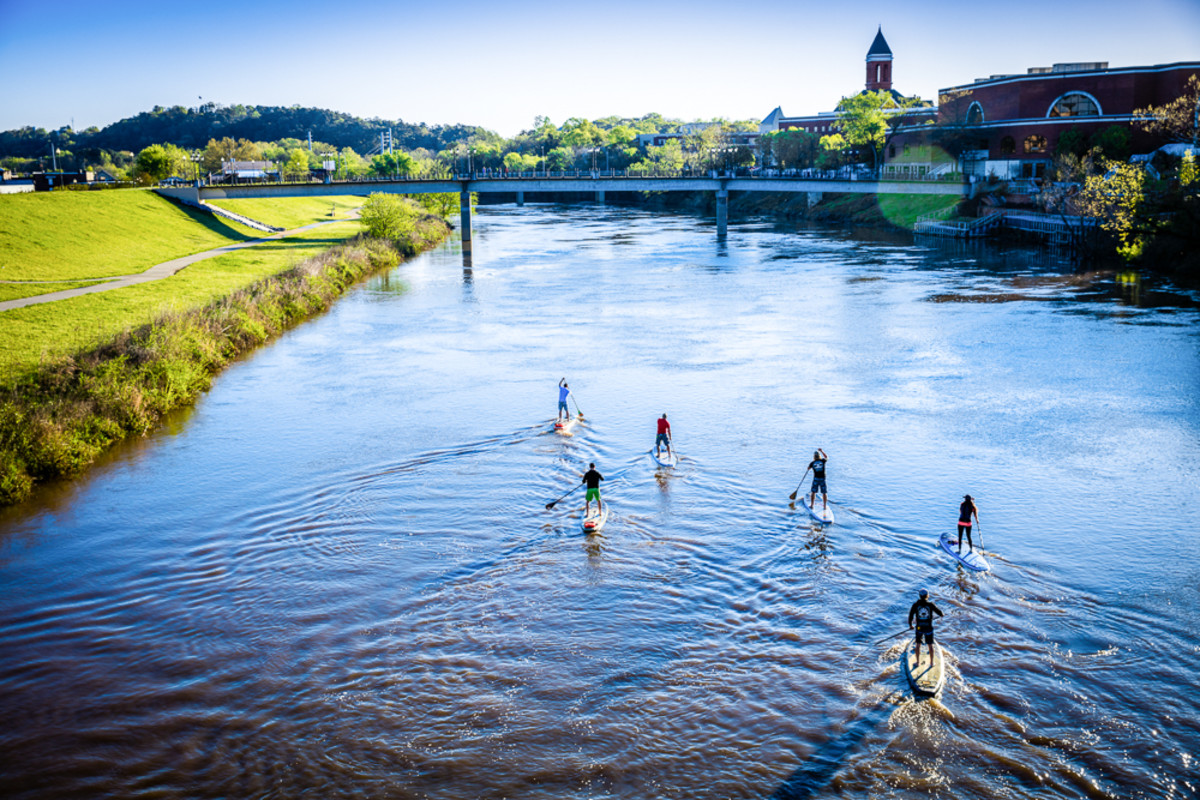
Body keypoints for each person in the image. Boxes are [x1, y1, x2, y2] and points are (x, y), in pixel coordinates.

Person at [907, 588, 944, 665]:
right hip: (928, 627)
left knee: (918, 644)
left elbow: (910, 616)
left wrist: (910, 626)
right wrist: (941, 614)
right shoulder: (930, 605)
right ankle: (931, 663)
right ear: (927, 596)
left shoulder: (915, 605)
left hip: (919, 627)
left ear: (919, 596)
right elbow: (939, 612)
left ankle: (917, 662)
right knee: (930, 644)